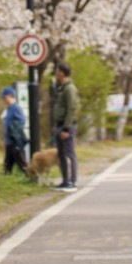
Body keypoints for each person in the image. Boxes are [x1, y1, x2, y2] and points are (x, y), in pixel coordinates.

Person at [52, 61, 80, 191]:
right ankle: (65, 180)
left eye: (57, 71)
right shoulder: (62, 87)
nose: (56, 74)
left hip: (66, 125)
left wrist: (66, 128)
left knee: (69, 153)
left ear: (62, 73)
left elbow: (72, 109)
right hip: (60, 124)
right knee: (61, 154)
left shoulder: (70, 88)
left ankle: (72, 181)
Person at [0, 87, 30, 176]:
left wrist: (13, 129)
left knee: (21, 162)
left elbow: (22, 120)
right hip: (9, 141)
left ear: (10, 96)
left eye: (4, 97)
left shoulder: (16, 108)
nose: (3, 100)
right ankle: (6, 178)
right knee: (8, 163)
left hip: (15, 140)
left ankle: (31, 177)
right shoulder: (9, 108)